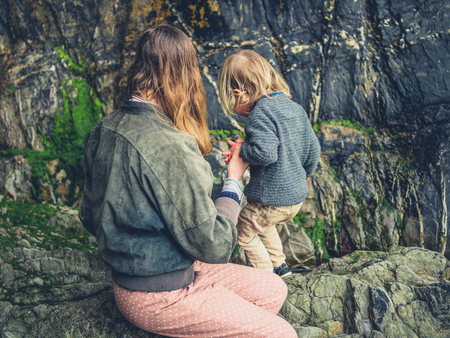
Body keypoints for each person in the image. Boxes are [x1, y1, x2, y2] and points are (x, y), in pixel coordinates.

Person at [78, 25, 297, 338]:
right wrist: (233, 182)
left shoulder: (104, 128)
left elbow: (88, 216)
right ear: (184, 74)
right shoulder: (170, 144)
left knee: (273, 289)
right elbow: (215, 244)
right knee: (282, 334)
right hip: (157, 294)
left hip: (157, 273)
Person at [218, 49, 321, 279]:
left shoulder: (259, 114)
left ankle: (267, 279)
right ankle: (281, 267)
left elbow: (265, 153)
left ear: (238, 93)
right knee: (263, 225)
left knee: (244, 230)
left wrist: (242, 149)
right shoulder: (293, 107)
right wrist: (306, 174)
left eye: (231, 99)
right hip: (294, 198)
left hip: (272, 199)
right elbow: (314, 148)